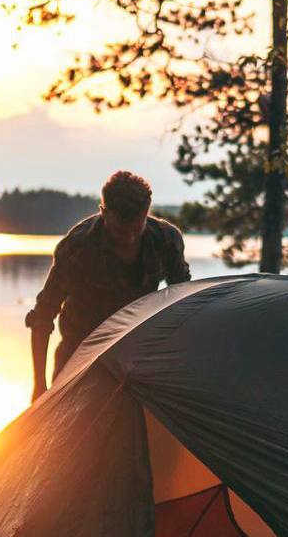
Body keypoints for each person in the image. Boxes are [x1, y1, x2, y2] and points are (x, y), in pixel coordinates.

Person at [25, 170, 191, 401]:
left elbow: (184, 301)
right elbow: (42, 317)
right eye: (120, 231)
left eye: (136, 229)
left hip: (136, 356)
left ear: (146, 213)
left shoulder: (166, 241)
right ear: (104, 212)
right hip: (78, 354)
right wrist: (39, 386)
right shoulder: (78, 246)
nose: (129, 239)